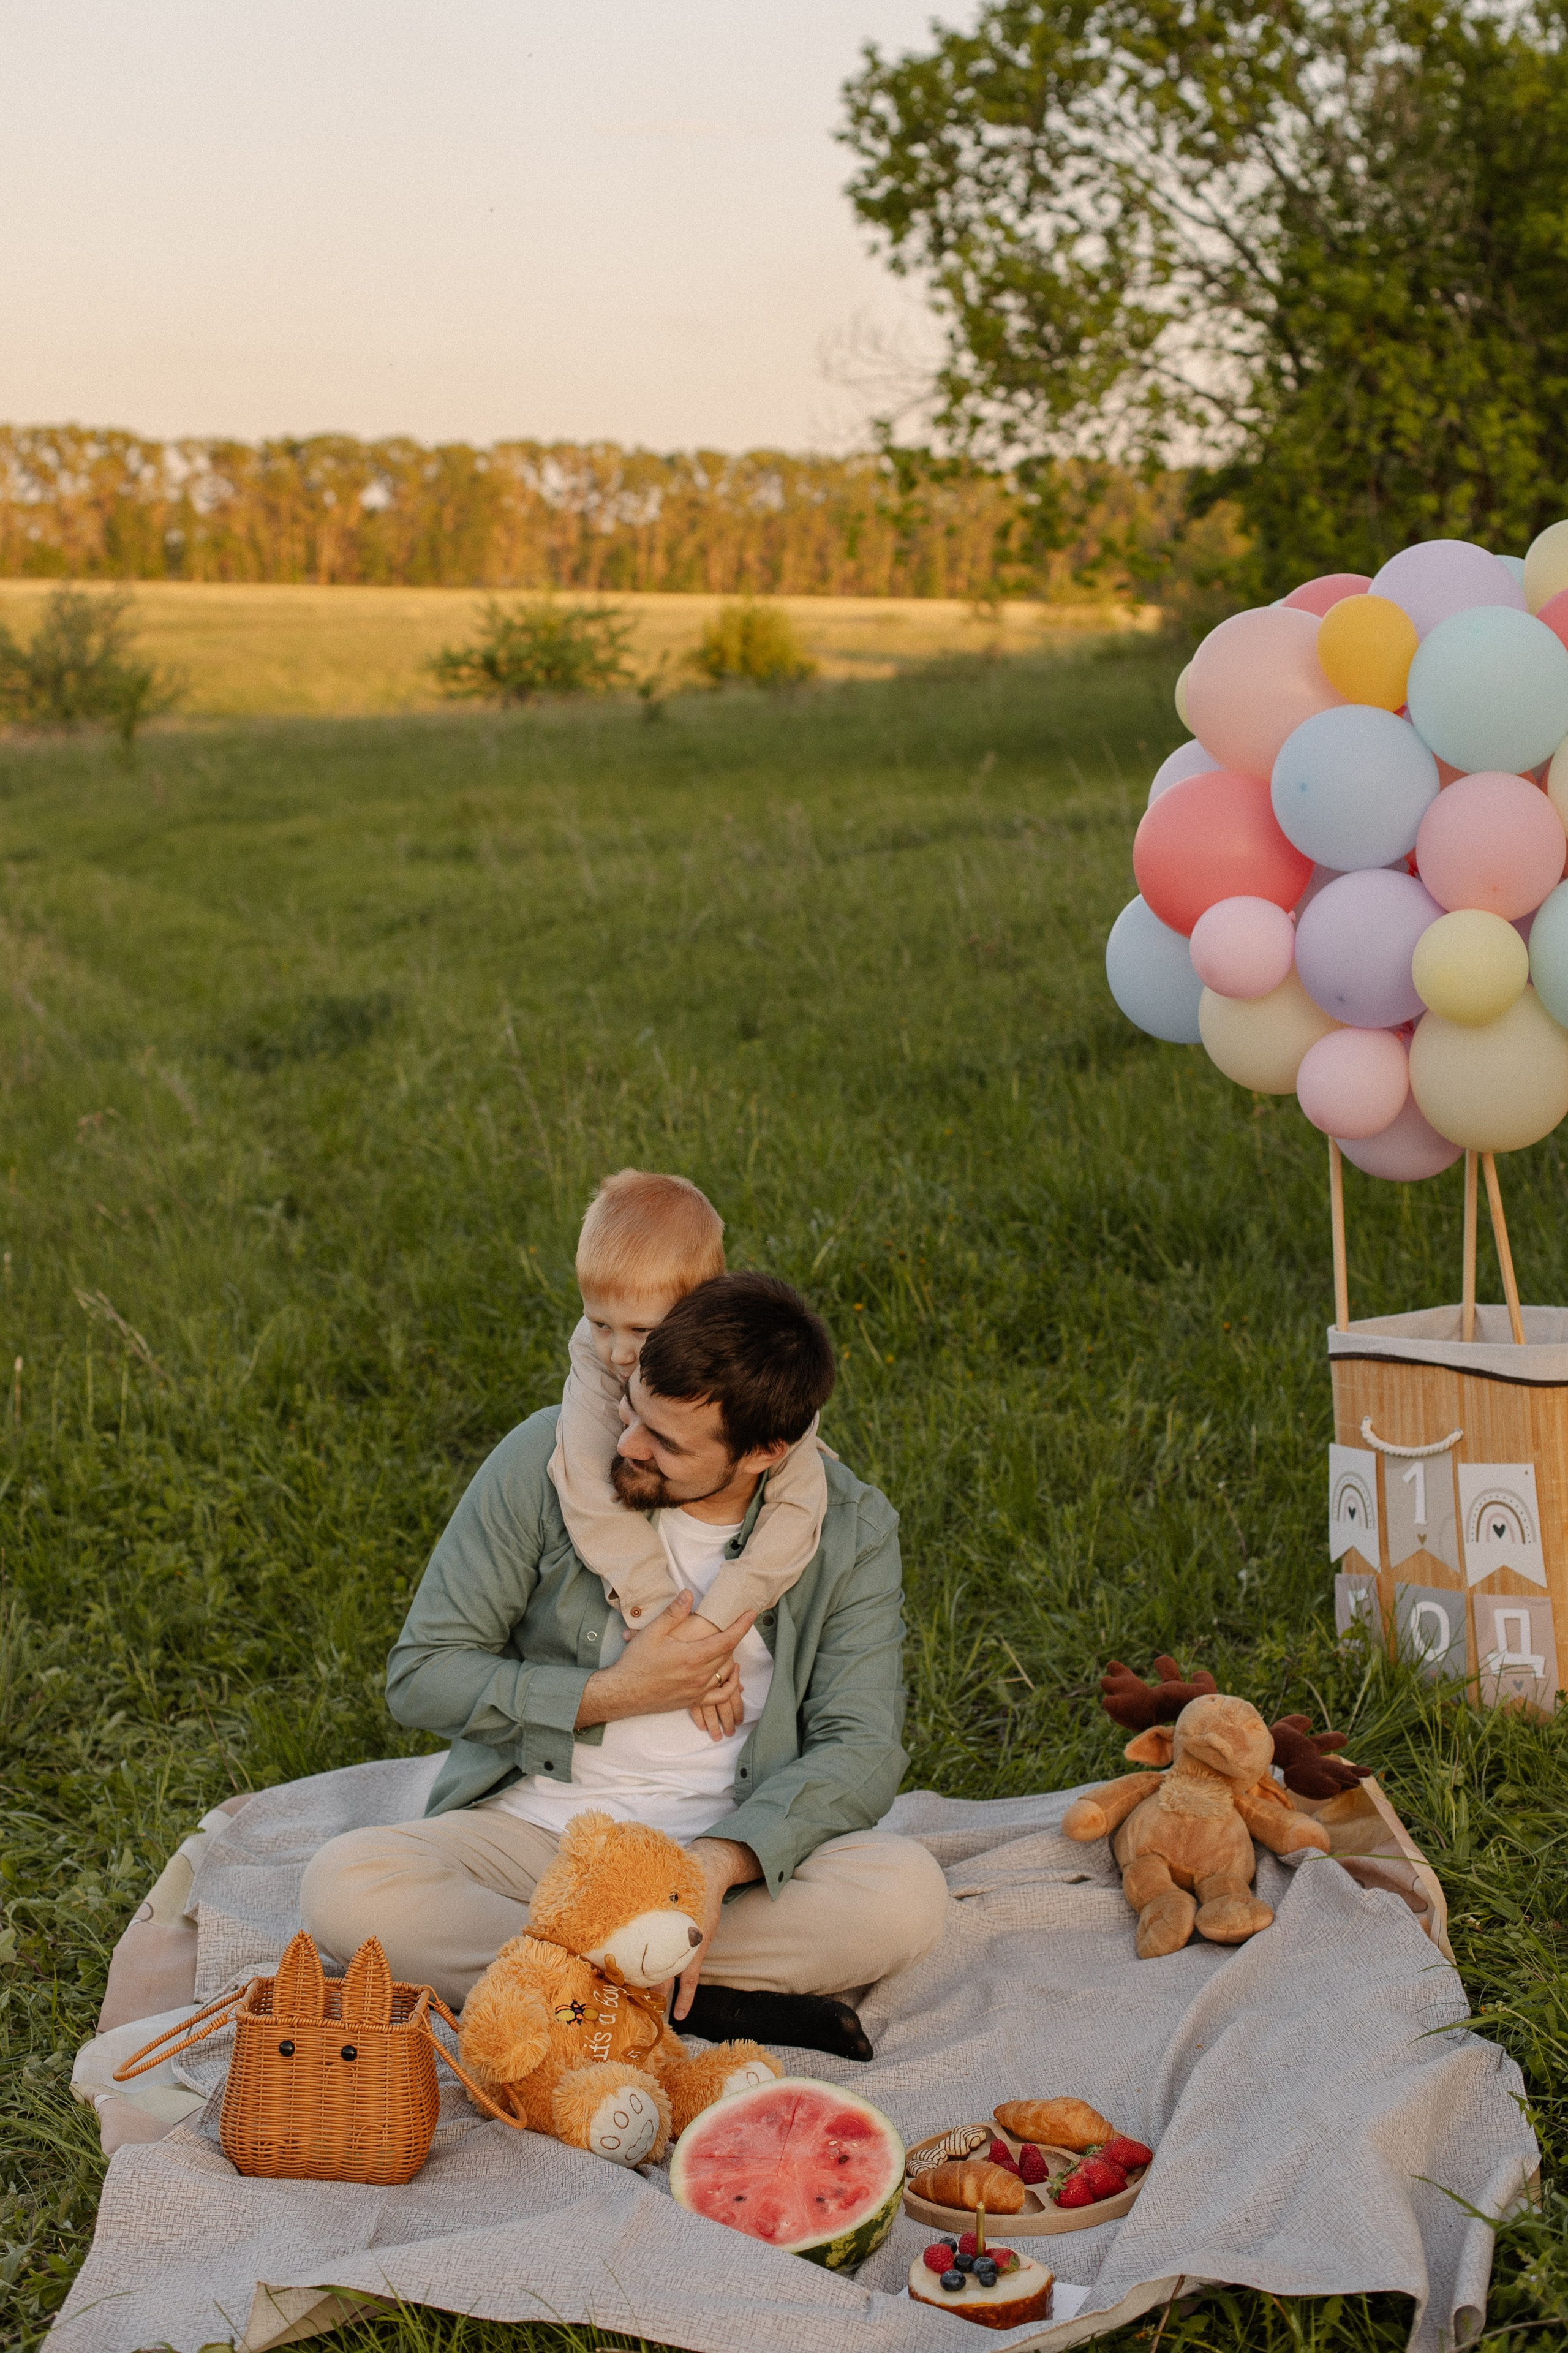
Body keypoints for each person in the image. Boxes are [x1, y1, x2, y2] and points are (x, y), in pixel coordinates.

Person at [300, 1267, 948, 2053]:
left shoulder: (849, 1528)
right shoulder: (544, 1460)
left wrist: (716, 1864)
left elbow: (862, 1743)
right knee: (345, 1884)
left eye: (667, 1441)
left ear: (764, 1452)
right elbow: (423, 1673)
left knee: (903, 1896)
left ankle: (565, 1994)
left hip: (716, 1855)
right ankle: (693, 2002)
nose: (628, 1445)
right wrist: (612, 1693)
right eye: (630, 1410)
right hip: (540, 1844)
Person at [548, 1168, 830, 1738]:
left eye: (642, 1330)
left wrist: (710, 1628)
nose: (620, 1353)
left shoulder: (759, 1369)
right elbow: (588, 1491)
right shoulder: (596, 1357)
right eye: (599, 1321)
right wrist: (662, 1622)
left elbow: (797, 1512)